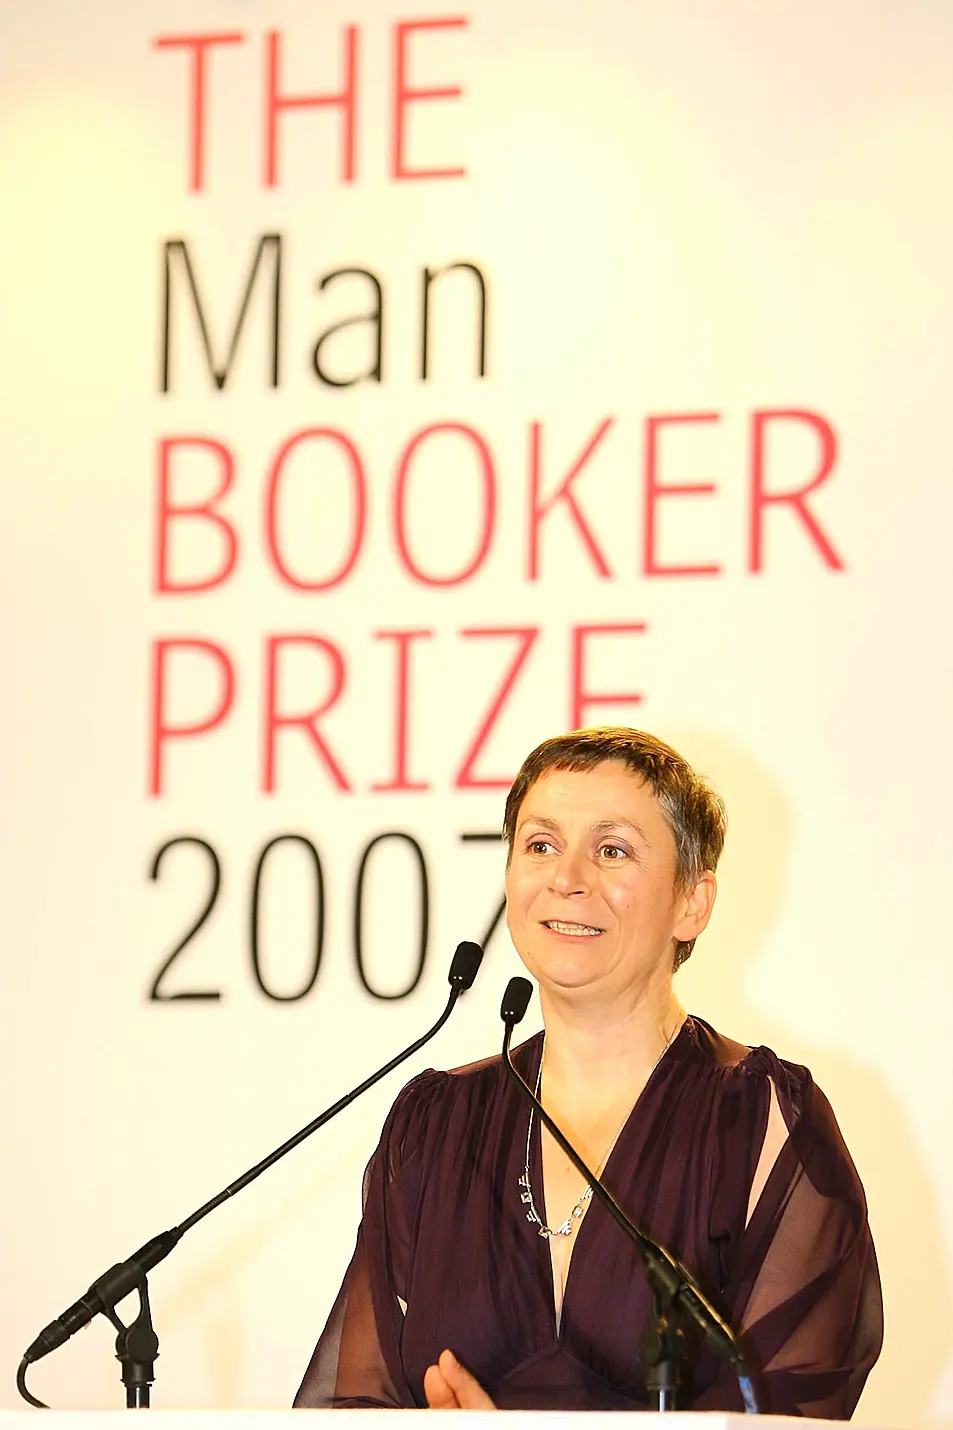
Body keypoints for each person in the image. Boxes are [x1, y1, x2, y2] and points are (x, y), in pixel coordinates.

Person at [294, 727, 882, 1414]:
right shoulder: (434, 1125)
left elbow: (782, 1415)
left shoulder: (765, 1122)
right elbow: (359, 1407)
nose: (566, 879)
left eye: (612, 850)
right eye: (540, 845)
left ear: (691, 901)